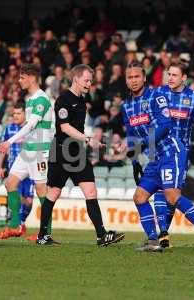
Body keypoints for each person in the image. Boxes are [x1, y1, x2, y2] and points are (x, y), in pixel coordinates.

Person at [122, 61, 194, 253]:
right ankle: (154, 240)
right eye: (130, 77)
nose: (134, 80)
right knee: (139, 197)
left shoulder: (157, 96)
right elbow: (131, 136)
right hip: (154, 157)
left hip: (172, 151)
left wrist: (142, 143)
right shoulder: (127, 106)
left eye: (137, 76)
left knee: (171, 196)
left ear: (144, 78)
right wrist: (135, 161)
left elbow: (164, 125)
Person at [37, 64, 125, 246]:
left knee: (91, 190)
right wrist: (87, 138)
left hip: (77, 153)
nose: (89, 83)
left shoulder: (83, 101)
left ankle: (102, 235)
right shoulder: (63, 99)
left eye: (90, 80)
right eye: (86, 80)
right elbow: (65, 127)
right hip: (61, 151)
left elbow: (77, 129)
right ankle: (42, 236)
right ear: (76, 79)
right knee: (53, 192)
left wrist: (91, 141)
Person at [151, 62, 194, 248]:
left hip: (179, 153)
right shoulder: (159, 93)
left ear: (184, 78)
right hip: (160, 151)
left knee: (171, 194)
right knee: (162, 192)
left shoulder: (193, 98)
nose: (170, 78)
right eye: (169, 74)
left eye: (174, 75)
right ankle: (162, 238)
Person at [0, 63, 53, 240]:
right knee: (10, 183)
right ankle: (15, 226)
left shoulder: (42, 99)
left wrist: (9, 142)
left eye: (22, 77)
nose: (19, 81)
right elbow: (28, 129)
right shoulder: (30, 100)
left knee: (42, 191)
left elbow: (31, 125)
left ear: (32, 78)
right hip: (27, 150)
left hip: (39, 152)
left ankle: (46, 233)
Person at [0, 101, 36, 238]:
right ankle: (15, 225)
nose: (16, 116)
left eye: (19, 113)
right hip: (15, 171)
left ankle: (21, 222)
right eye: (14, 114)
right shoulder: (9, 128)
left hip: (30, 170)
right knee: (16, 197)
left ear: (25, 113)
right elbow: (2, 149)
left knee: (29, 201)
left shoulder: (31, 127)